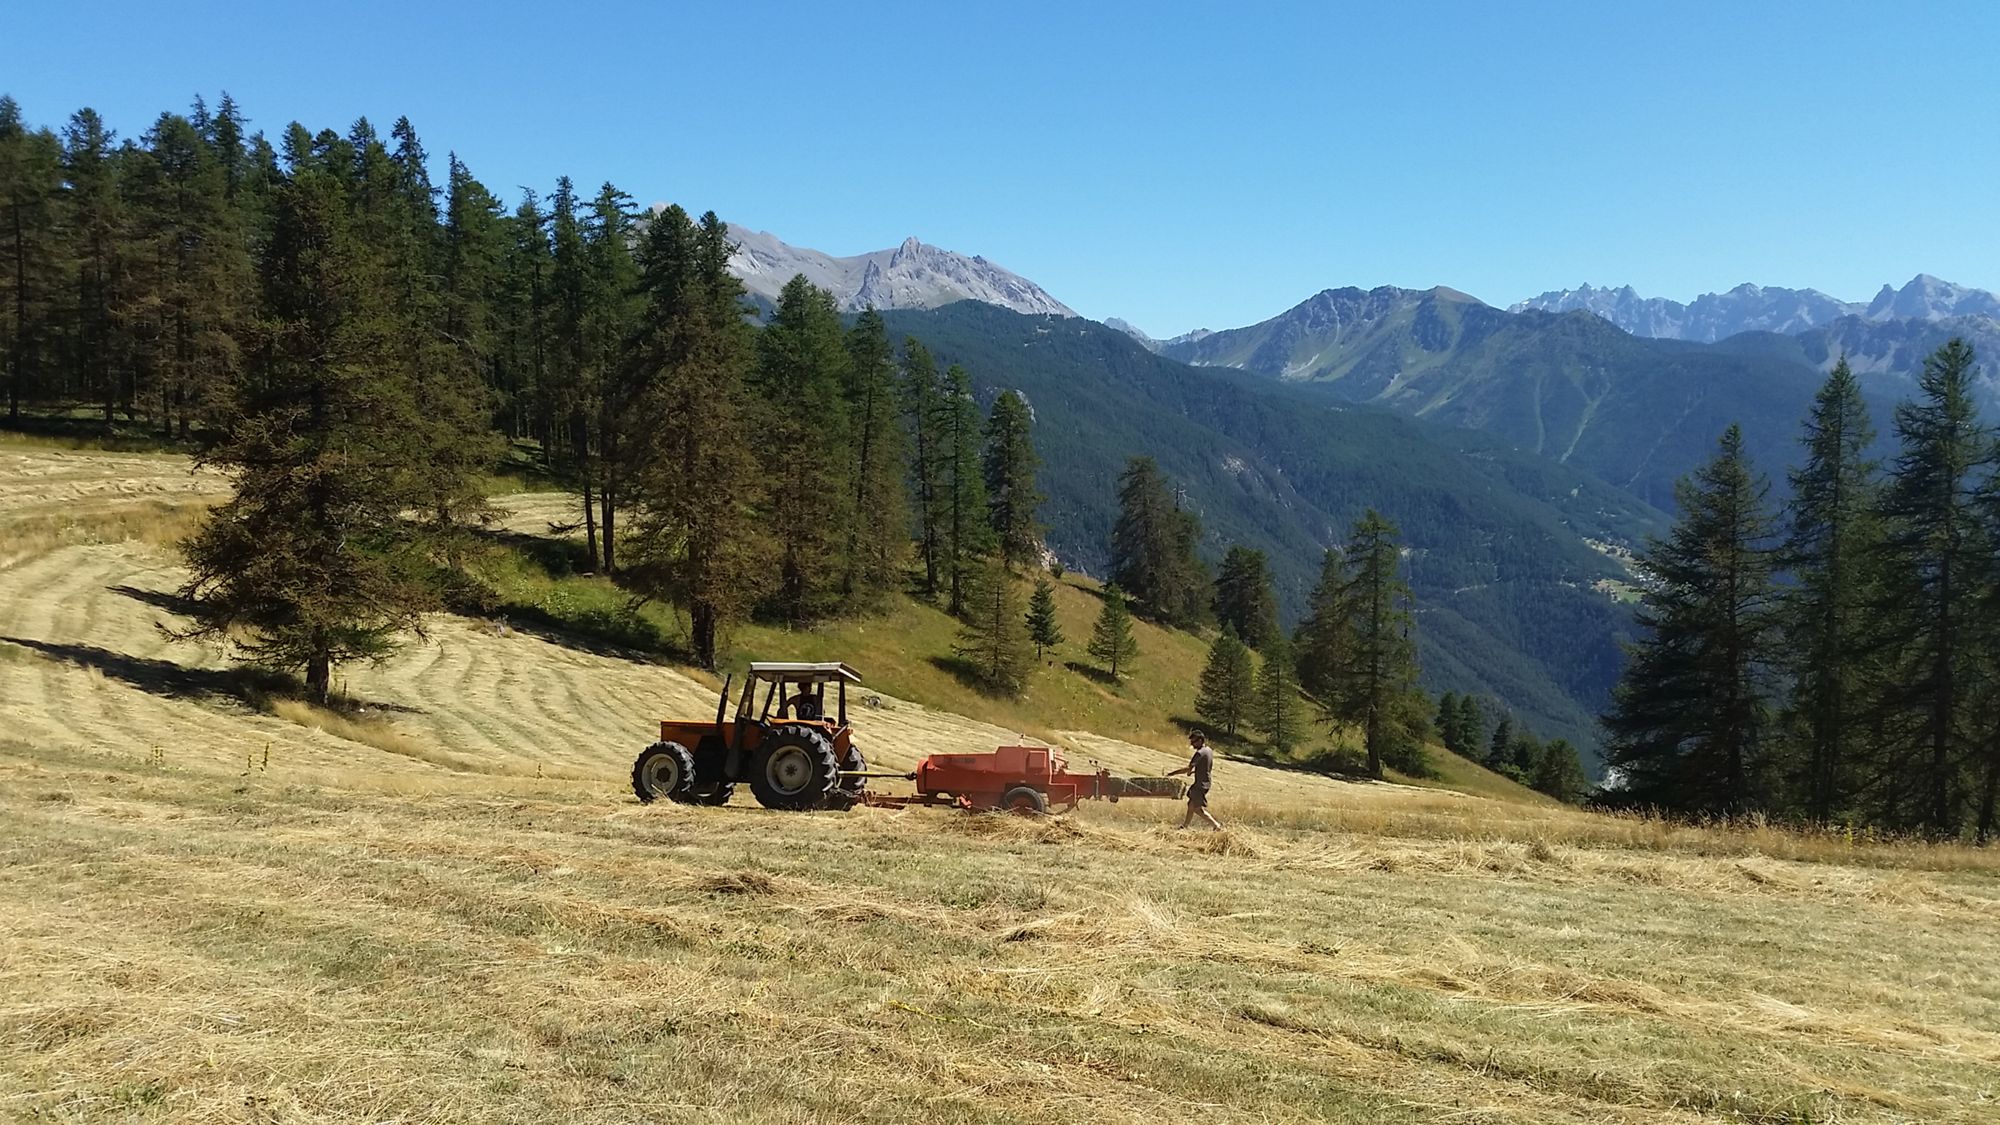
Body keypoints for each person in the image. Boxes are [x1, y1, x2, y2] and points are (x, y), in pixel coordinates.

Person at [1168, 729, 1222, 830]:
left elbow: (1188, 769)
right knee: (1191, 804)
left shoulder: (1199, 753)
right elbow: (1205, 767)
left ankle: (1216, 825)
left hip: (1200, 784)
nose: (1192, 745)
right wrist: (1195, 771)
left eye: (1194, 742)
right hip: (1206, 782)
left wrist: (1173, 773)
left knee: (1197, 809)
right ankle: (1185, 826)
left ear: (1200, 740)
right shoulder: (1209, 750)